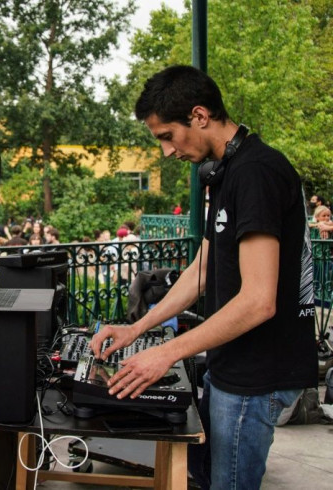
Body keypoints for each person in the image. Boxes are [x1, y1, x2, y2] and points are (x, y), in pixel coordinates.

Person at [88, 65, 316, 490]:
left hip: (256, 374)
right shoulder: (228, 172)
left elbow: (259, 300)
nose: (167, 153)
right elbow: (203, 270)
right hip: (230, 365)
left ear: (198, 116)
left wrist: (166, 353)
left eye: (167, 137)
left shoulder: (256, 173)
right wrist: (137, 328)